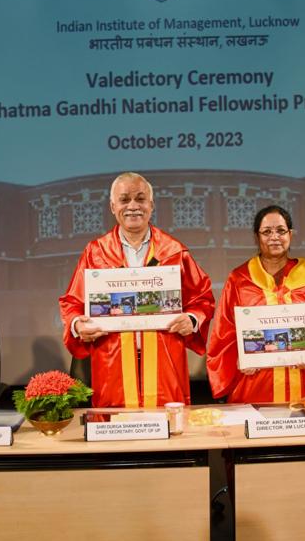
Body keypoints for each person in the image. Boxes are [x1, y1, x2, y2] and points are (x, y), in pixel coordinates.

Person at [59, 172, 215, 408]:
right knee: (117, 433)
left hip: (164, 361)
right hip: (113, 362)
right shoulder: (95, 252)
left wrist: (192, 320)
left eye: (140, 199)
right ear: (113, 206)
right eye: (124, 200)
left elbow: (202, 298)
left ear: (151, 205)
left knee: (166, 433)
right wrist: (77, 325)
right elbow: (72, 302)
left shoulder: (174, 251)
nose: (133, 206)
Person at [207, 205, 305, 403]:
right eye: (267, 232)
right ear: (257, 237)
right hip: (255, 382)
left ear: (291, 234)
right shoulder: (240, 280)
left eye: (281, 230)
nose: (274, 237)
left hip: (304, 380)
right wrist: (239, 358)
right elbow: (224, 330)